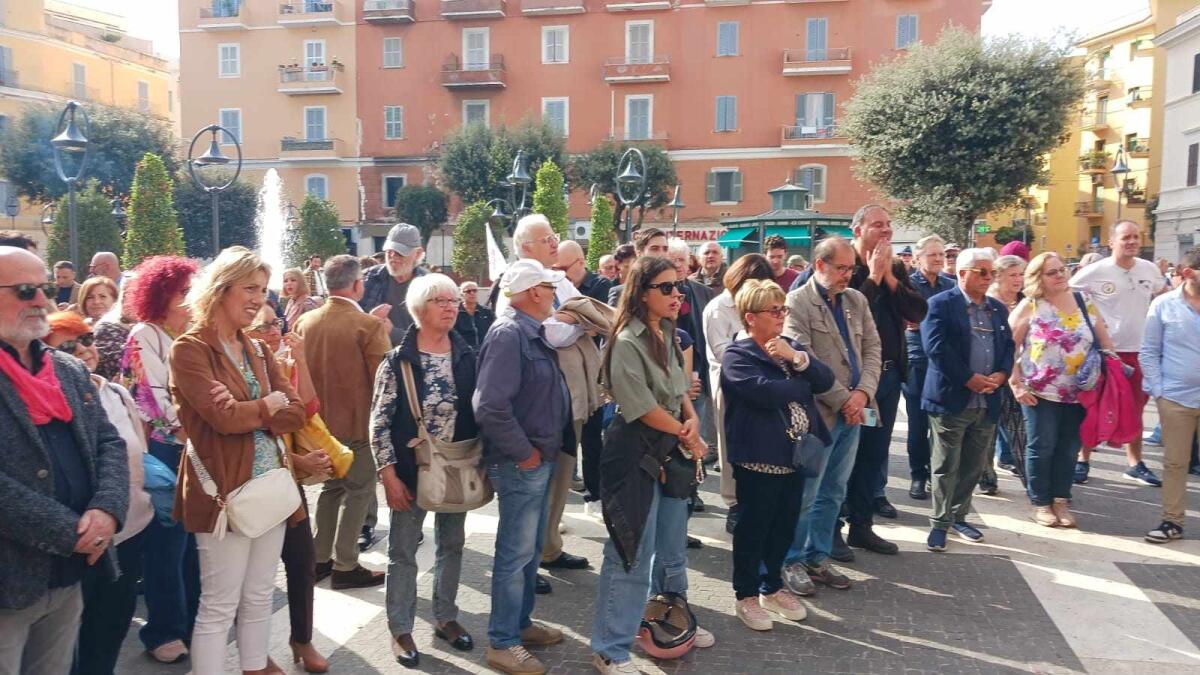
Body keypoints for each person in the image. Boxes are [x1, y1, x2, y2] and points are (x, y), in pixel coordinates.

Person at [169, 246, 307, 675]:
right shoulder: (189, 350)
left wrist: (254, 408)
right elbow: (222, 420)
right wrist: (267, 406)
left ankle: (253, 668)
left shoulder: (258, 350)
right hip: (223, 492)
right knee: (219, 604)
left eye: (263, 291)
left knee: (260, 593)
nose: (257, 299)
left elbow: (297, 411)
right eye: (249, 288)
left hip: (270, 488)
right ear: (221, 289)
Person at [0, 246, 128, 674]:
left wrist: (107, 510)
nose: (40, 300)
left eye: (42, 287)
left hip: (70, 574)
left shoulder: (66, 369)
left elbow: (108, 442)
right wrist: (69, 530)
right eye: (24, 290)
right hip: (9, 581)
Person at [590, 255, 705, 672]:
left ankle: (663, 621)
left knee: (668, 547)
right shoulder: (625, 341)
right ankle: (609, 648)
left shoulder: (668, 332)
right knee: (630, 553)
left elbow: (680, 390)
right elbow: (640, 408)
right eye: (667, 288)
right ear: (641, 293)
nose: (677, 295)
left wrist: (691, 421)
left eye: (679, 287)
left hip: (670, 450)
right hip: (635, 453)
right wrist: (684, 430)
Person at [793, 205, 926, 556]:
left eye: (889, 225)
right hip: (833, 394)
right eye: (877, 225)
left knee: (871, 455)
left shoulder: (895, 268)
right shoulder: (828, 273)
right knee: (829, 470)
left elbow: (916, 312)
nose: (886, 231)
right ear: (857, 229)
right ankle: (828, 534)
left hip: (879, 381)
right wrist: (872, 279)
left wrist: (891, 278)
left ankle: (862, 525)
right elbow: (825, 331)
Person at [370, 273, 477, 667]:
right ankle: (400, 629)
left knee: (453, 544)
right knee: (403, 551)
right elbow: (378, 422)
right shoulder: (398, 361)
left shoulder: (467, 354)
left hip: (456, 465)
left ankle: (446, 618)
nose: (450, 307)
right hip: (411, 470)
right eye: (440, 301)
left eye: (453, 300)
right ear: (419, 310)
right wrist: (388, 475)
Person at [473, 259, 571, 675]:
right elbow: (489, 405)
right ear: (534, 291)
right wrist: (524, 453)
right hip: (523, 462)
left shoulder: (528, 330)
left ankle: (519, 625)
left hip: (537, 457)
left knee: (528, 552)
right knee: (515, 554)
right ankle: (502, 642)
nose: (553, 295)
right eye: (549, 288)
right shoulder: (510, 333)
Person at [44, 312, 154, 675]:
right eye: (68, 344)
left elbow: (136, 455)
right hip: (82, 543)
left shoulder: (117, 393)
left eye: (88, 339)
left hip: (131, 533)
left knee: (110, 632)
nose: (84, 349)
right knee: (69, 645)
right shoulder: (47, 402)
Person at [723, 279, 834, 631]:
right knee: (753, 528)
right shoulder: (738, 355)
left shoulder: (789, 347)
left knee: (783, 528)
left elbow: (824, 378)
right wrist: (800, 384)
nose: (781, 316)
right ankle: (745, 595)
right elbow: (763, 393)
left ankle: (771, 586)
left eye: (783, 308)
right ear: (751, 316)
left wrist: (797, 358)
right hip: (758, 457)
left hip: (794, 456)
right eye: (774, 310)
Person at [493, 216, 588, 592]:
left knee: (561, 478)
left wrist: (575, 318)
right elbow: (554, 332)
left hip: (566, 397)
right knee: (530, 493)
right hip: (536, 411)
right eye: (546, 238)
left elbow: (567, 317)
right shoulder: (519, 283)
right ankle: (524, 570)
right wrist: (581, 322)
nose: (554, 243)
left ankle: (547, 548)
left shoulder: (556, 279)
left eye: (554, 236)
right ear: (525, 248)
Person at [782, 237, 881, 594]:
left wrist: (863, 393)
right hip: (817, 416)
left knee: (834, 490)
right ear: (819, 265)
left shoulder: (856, 300)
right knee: (806, 491)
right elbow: (803, 358)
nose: (847, 276)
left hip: (853, 413)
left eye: (852, 268)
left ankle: (817, 557)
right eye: (841, 268)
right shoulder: (796, 303)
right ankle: (790, 560)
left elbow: (872, 348)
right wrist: (845, 399)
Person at [120, 256, 201, 664]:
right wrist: (194, 427)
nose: (191, 300)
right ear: (160, 295)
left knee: (193, 542)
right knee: (168, 544)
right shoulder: (145, 333)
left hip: (194, 446)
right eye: (183, 292)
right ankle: (164, 630)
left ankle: (190, 623)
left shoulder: (193, 334)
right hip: (164, 448)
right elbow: (151, 398)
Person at [293, 255, 391, 589]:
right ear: (356, 285)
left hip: (318, 425)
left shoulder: (306, 321)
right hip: (358, 424)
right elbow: (383, 381)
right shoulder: (368, 325)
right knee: (359, 490)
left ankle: (320, 558)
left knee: (332, 489)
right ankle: (346, 563)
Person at [244, 307, 330, 673]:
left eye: (275, 323)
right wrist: (300, 461)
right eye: (264, 326)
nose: (273, 331)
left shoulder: (277, 362)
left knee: (301, 561)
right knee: (253, 579)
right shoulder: (243, 368)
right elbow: (252, 438)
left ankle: (302, 638)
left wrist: (300, 360)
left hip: (286, 482)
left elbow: (308, 408)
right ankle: (255, 653)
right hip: (251, 483)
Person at [921, 248, 1014, 552]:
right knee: (945, 464)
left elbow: (1008, 347)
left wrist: (1001, 374)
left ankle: (959, 515)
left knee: (973, 465)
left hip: (987, 401)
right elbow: (936, 348)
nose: (989, 278)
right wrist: (968, 378)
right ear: (962, 274)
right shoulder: (939, 305)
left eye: (992, 273)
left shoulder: (997, 310)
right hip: (952, 398)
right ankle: (939, 523)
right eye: (982, 272)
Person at [1010, 253, 1112, 529]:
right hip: (1038, 392)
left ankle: (1061, 500)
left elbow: (1104, 341)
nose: (1060, 276)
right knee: (1042, 446)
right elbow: (1008, 346)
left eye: (1062, 270)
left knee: (1069, 449)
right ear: (1038, 278)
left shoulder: (1084, 301)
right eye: (1052, 272)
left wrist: (1111, 372)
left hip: (1080, 393)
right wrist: (1015, 383)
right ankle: (1041, 502)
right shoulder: (1030, 306)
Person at [1069, 220, 1167, 486]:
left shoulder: (1149, 269)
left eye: (1136, 237)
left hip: (1140, 351)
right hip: (1106, 353)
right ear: (1112, 242)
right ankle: (1082, 459)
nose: (1132, 242)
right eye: (1126, 237)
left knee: (1135, 408)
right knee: (1095, 407)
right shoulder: (1094, 271)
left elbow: (1162, 294)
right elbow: (1068, 295)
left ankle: (1135, 464)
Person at [703, 254, 774, 533]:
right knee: (730, 445)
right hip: (729, 384)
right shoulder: (719, 307)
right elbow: (724, 352)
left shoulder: (765, 304)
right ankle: (733, 503)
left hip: (762, 383)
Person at [1141, 247, 1200, 544]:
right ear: (1189, 273)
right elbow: (1149, 352)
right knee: (1176, 463)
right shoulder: (1164, 305)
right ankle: (1172, 522)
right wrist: (1159, 391)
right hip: (1176, 398)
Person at [904, 234, 956, 500]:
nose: (938, 259)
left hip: (945, 362)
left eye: (941, 254)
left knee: (944, 422)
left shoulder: (950, 285)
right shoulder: (909, 285)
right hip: (917, 360)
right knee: (918, 422)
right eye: (932, 254)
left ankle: (940, 474)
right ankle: (917, 475)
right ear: (917, 258)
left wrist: (923, 322)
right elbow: (907, 321)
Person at [979, 254, 1027, 495]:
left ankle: (1033, 483)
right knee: (987, 431)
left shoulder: (1026, 302)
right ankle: (986, 476)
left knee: (1019, 429)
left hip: (1019, 375)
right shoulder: (986, 303)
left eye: (1021, 274)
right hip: (990, 375)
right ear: (998, 277)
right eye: (1012, 275)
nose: (1018, 280)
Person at [362, 222, 426, 345]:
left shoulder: (429, 286)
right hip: (374, 359)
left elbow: (432, 338)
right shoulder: (368, 278)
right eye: (389, 251)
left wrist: (393, 332)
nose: (392, 256)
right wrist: (368, 322)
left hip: (413, 360)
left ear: (417, 253)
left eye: (400, 252)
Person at [454, 280, 495, 349]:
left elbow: (493, 332)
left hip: (484, 353)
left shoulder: (486, 312)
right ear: (461, 294)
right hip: (464, 354)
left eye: (474, 290)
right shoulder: (455, 313)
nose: (472, 293)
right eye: (468, 291)